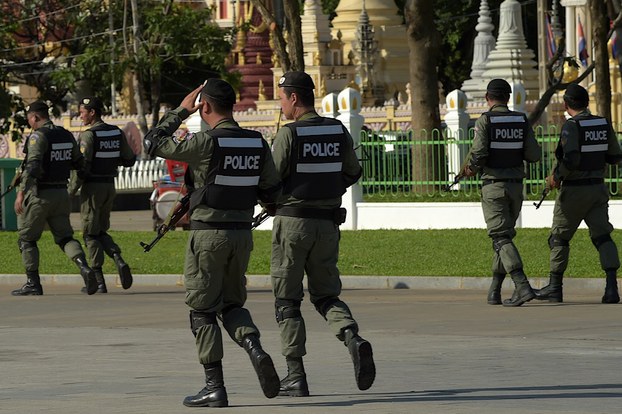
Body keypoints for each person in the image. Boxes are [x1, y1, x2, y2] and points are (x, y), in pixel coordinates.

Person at [143, 79, 282, 407]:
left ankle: (214, 387)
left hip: (207, 237)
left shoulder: (205, 143)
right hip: (241, 236)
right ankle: (254, 347)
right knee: (232, 306)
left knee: (202, 311)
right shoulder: (257, 143)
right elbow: (272, 193)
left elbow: (153, 142)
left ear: (204, 107)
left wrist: (180, 111)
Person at [270, 71, 375, 396]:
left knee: (287, 301)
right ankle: (352, 338)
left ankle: (295, 375)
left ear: (294, 98)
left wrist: (275, 200)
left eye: (282, 98)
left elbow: (270, 181)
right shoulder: (337, 130)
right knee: (326, 295)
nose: (281, 105)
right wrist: (327, 191)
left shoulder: (288, 134)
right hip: (328, 225)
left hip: (292, 225)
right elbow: (353, 172)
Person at [535, 83, 622, 304]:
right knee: (603, 237)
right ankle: (611, 288)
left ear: (566, 105)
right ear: (586, 103)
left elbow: (571, 159)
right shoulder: (603, 123)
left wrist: (556, 176)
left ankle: (555, 287)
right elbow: (614, 156)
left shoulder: (571, 126)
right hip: (598, 190)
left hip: (574, 191)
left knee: (559, 239)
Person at [462, 79, 541, 307]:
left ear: (488, 98)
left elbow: (478, 153)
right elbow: (534, 155)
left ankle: (522, 285)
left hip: (494, 186)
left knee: (500, 237)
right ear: (508, 97)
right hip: (516, 187)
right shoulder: (521, 120)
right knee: (504, 238)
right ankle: (495, 290)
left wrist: (470, 169)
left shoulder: (485, 120)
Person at [11, 101, 98, 296]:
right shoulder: (66, 134)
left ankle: (33, 283)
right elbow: (79, 163)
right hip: (61, 194)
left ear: (35, 117)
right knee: (65, 237)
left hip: (40, 195)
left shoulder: (38, 136)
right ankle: (84, 267)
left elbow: (32, 167)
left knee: (26, 239)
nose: (29, 122)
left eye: (29, 119)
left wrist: (21, 193)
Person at [69, 96, 136, 294]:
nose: (80, 116)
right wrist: (111, 163)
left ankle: (99, 281)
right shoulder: (116, 132)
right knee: (100, 230)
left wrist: (70, 191)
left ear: (92, 113)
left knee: (90, 233)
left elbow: (82, 168)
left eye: (82, 112)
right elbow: (130, 159)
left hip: (92, 189)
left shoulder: (89, 136)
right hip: (109, 187)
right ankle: (118, 258)